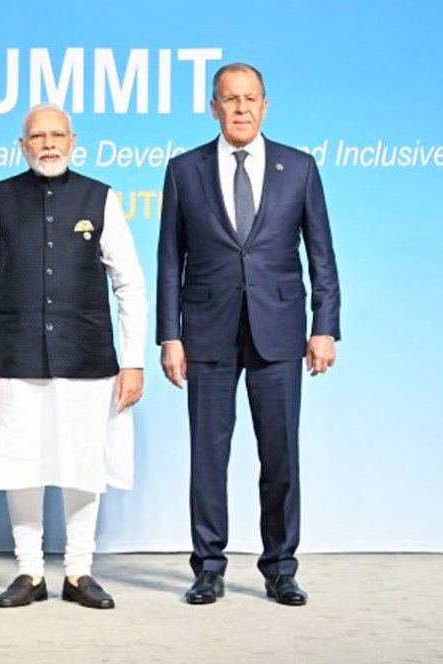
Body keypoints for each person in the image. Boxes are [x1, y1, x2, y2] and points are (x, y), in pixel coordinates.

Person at [157, 62, 341, 606]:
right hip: (206, 332)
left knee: (280, 456)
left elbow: (322, 256)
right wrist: (170, 335)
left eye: (250, 98)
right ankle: (208, 568)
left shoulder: (299, 167)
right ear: (213, 107)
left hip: (279, 332)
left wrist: (325, 328)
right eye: (230, 98)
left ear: (265, 106)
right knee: (208, 458)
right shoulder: (184, 170)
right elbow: (169, 259)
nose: (240, 108)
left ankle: (280, 568)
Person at [0, 104, 147, 610]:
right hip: (13, 357)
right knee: (19, 464)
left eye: (56, 135)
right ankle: (28, 572)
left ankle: (78, 571)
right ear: (22, 145)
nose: (47, 144)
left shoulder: (100, 197)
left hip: (86, 357)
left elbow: (129, 283)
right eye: (37, 136)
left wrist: (133, 360)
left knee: (82, 464)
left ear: (73, 141)